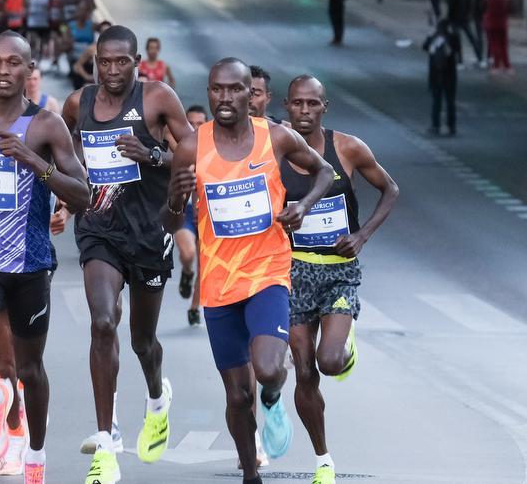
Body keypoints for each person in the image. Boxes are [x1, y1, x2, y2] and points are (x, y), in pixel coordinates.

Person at [161, 58, 334, 484]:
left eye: (234, 89)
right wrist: (175, 202)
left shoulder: (274, 138)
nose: (224, 98)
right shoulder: (190, 148)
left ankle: (273, 398)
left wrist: (303, 205)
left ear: (249, 93)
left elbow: (324, 171)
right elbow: (169, 221)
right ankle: (250, 474)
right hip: (219, 285)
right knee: (238, 394)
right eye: (216, 90)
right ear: (209, 92)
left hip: (267, 272)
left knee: (270, 368)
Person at [60, 25, 194, 483]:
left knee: (142, 341)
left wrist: (152, 154)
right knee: (102, 321)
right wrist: (64, 197)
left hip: (149, 231)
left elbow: (193, 154)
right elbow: (67, 154)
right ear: (95, 61)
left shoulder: (158, 99)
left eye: (122, 61)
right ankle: (106, 441)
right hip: (99, 229)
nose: (113, 70)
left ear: (137, 62)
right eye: (105, 61)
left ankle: (158, 397)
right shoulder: (79, 103)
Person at [0, 32, 90, 481]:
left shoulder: (45, 126)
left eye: (14, 63)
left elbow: (84, 195)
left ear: (29, 70)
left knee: (31, 369)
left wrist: (36, 161)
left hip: (30, 264)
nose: (2, 71)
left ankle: (34, 452)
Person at [281, 75, 400, 484]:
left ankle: (342, 341)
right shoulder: (273, 150)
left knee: (328, 362)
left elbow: (391, 189)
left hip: (337, 270)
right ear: (287, 105)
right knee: (303, 369)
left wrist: (362, 235)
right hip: (292, 270)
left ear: (324, 107)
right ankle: (323, 460)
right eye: (297, 103)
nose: (304, 111)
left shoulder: (347, 148)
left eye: (313, 104)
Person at [174, 104, 208, 325]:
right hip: (183, 211)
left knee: (205, 265)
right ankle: (187, 272)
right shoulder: (179, 148)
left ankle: (195, 306)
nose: (195, 127)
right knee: (188, 254)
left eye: (200, 123)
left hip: (208, 212)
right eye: (191, 123)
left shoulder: (218, 148)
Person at [423, 22, 460, 136]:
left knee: (437, 101)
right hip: (450, 76)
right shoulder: (452, 38)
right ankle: (451, 125)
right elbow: (457, 49)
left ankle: (436, 125)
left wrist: (430, 34)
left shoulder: (434, 39)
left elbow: (425, 46)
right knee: (450, 101)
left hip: (436, 75)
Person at [483, 0, 512, 73]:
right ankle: (507, 65)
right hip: (502, 24)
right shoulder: (504, 0)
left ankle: (496, 65)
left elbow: (484, 8)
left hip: (492, 25)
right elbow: (508, 10)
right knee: (503, 45)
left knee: (494, 45)